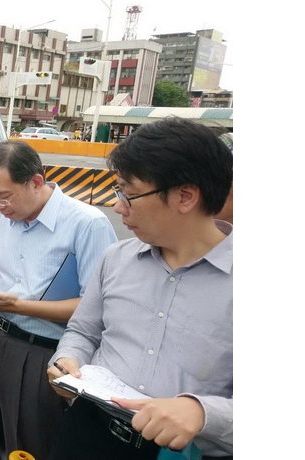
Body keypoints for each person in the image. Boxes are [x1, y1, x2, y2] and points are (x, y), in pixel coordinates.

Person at [45, 117, 233, 459]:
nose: (118, 207)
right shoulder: (115, 258)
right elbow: (83, 331)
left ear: (186, 196)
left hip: (179, 452)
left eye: (128, 195)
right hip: (87, 430)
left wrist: (203, 413)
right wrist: (67, 359)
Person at [0, 140, 117, 460]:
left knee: (28, 445)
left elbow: (95, 309)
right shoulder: (4, 219)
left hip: (46, 352)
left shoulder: (86, 224)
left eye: (3, 196)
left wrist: (16, 306)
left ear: (36, 182)